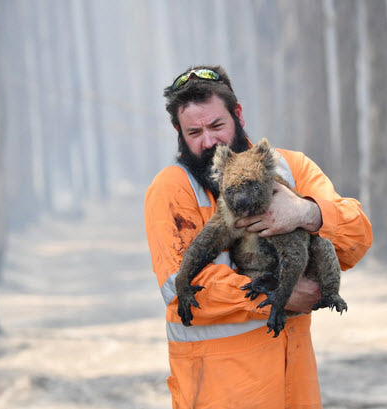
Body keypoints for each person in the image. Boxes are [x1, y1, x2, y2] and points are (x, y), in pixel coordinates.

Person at [145, 65, 372, 409]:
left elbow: (356, 237)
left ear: (238, 114)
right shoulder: (173, 189)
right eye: (194, 132)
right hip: (217, 394)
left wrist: (307, 213)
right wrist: (275, 296)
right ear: (178, 131)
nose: (209, 141)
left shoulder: (289, 168)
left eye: (217, 125)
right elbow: (180, 286)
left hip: (295, 389)